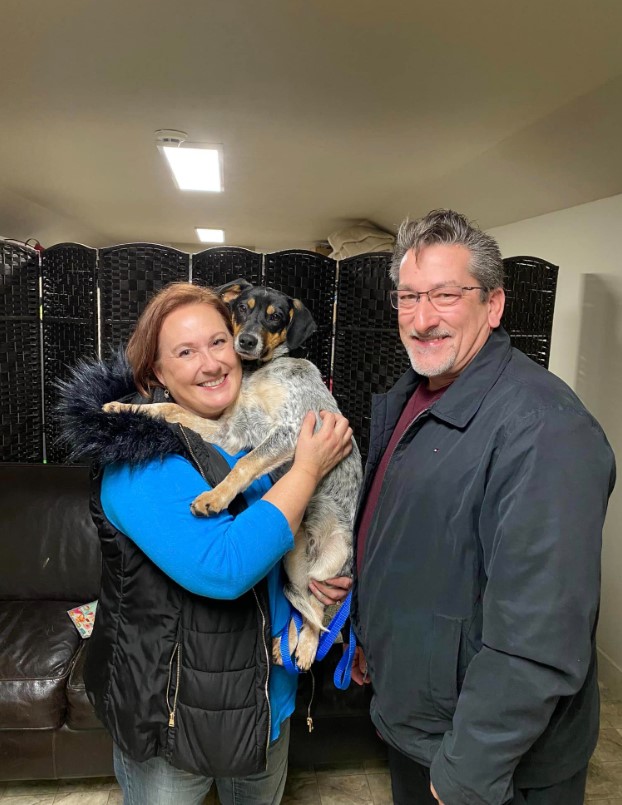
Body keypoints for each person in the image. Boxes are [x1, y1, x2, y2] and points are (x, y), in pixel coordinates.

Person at [350, 209, 616, 805]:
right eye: (408, 297)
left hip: (484, 757)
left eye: (446, 295)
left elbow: (540, 629)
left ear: (494, 306)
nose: (422, 319)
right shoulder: (410, 397)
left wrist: (471, 766)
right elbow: (409, 538)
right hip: (417, 716)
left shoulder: (544, 428)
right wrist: (371, 631)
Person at [59, 282, 353, 805]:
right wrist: (307, 468)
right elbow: (226, 568)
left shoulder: (245, 436)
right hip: (169, 719)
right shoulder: (140, 465)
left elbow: (276, 557)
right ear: (155, 374)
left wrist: (318, 586)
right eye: (186, 352)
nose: (215, 361)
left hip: (263, 704)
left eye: (219, 342)